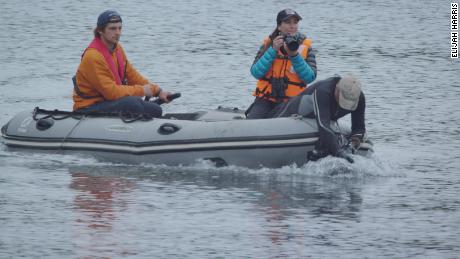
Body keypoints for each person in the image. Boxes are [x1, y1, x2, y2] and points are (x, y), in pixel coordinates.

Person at [72, 10, 171, 117]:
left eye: (120, 28)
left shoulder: (117, 49)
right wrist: (142, 90)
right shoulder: (93, 56)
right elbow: (111, 93)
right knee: (132, 103)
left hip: (108, 102)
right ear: (100, 30)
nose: (118, 32)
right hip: (89, 107)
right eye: (113, 28)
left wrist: (158, 91)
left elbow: (132, 76)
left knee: (156, 110)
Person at [274, 74, 367, 163]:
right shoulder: (323, 91)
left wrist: (352, 146)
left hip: (321, 118)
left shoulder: (359, 97)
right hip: (292, 110)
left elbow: (359, 127)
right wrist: (338, 152)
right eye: (343, 100)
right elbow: (323, 125)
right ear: (337, 89)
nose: (344, 106)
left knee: (328, 141)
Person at [246, 8, 317, 119]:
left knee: (278, 122)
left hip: (291, 101)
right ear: (279, 26)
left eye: (295, 22)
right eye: (288, 22)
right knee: (251, 123)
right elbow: (256, 73)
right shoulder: (268, 45)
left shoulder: (305, 47)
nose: (292, 26)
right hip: (265, 99)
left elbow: (309, 77)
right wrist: (273, 50)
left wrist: (294, 55)